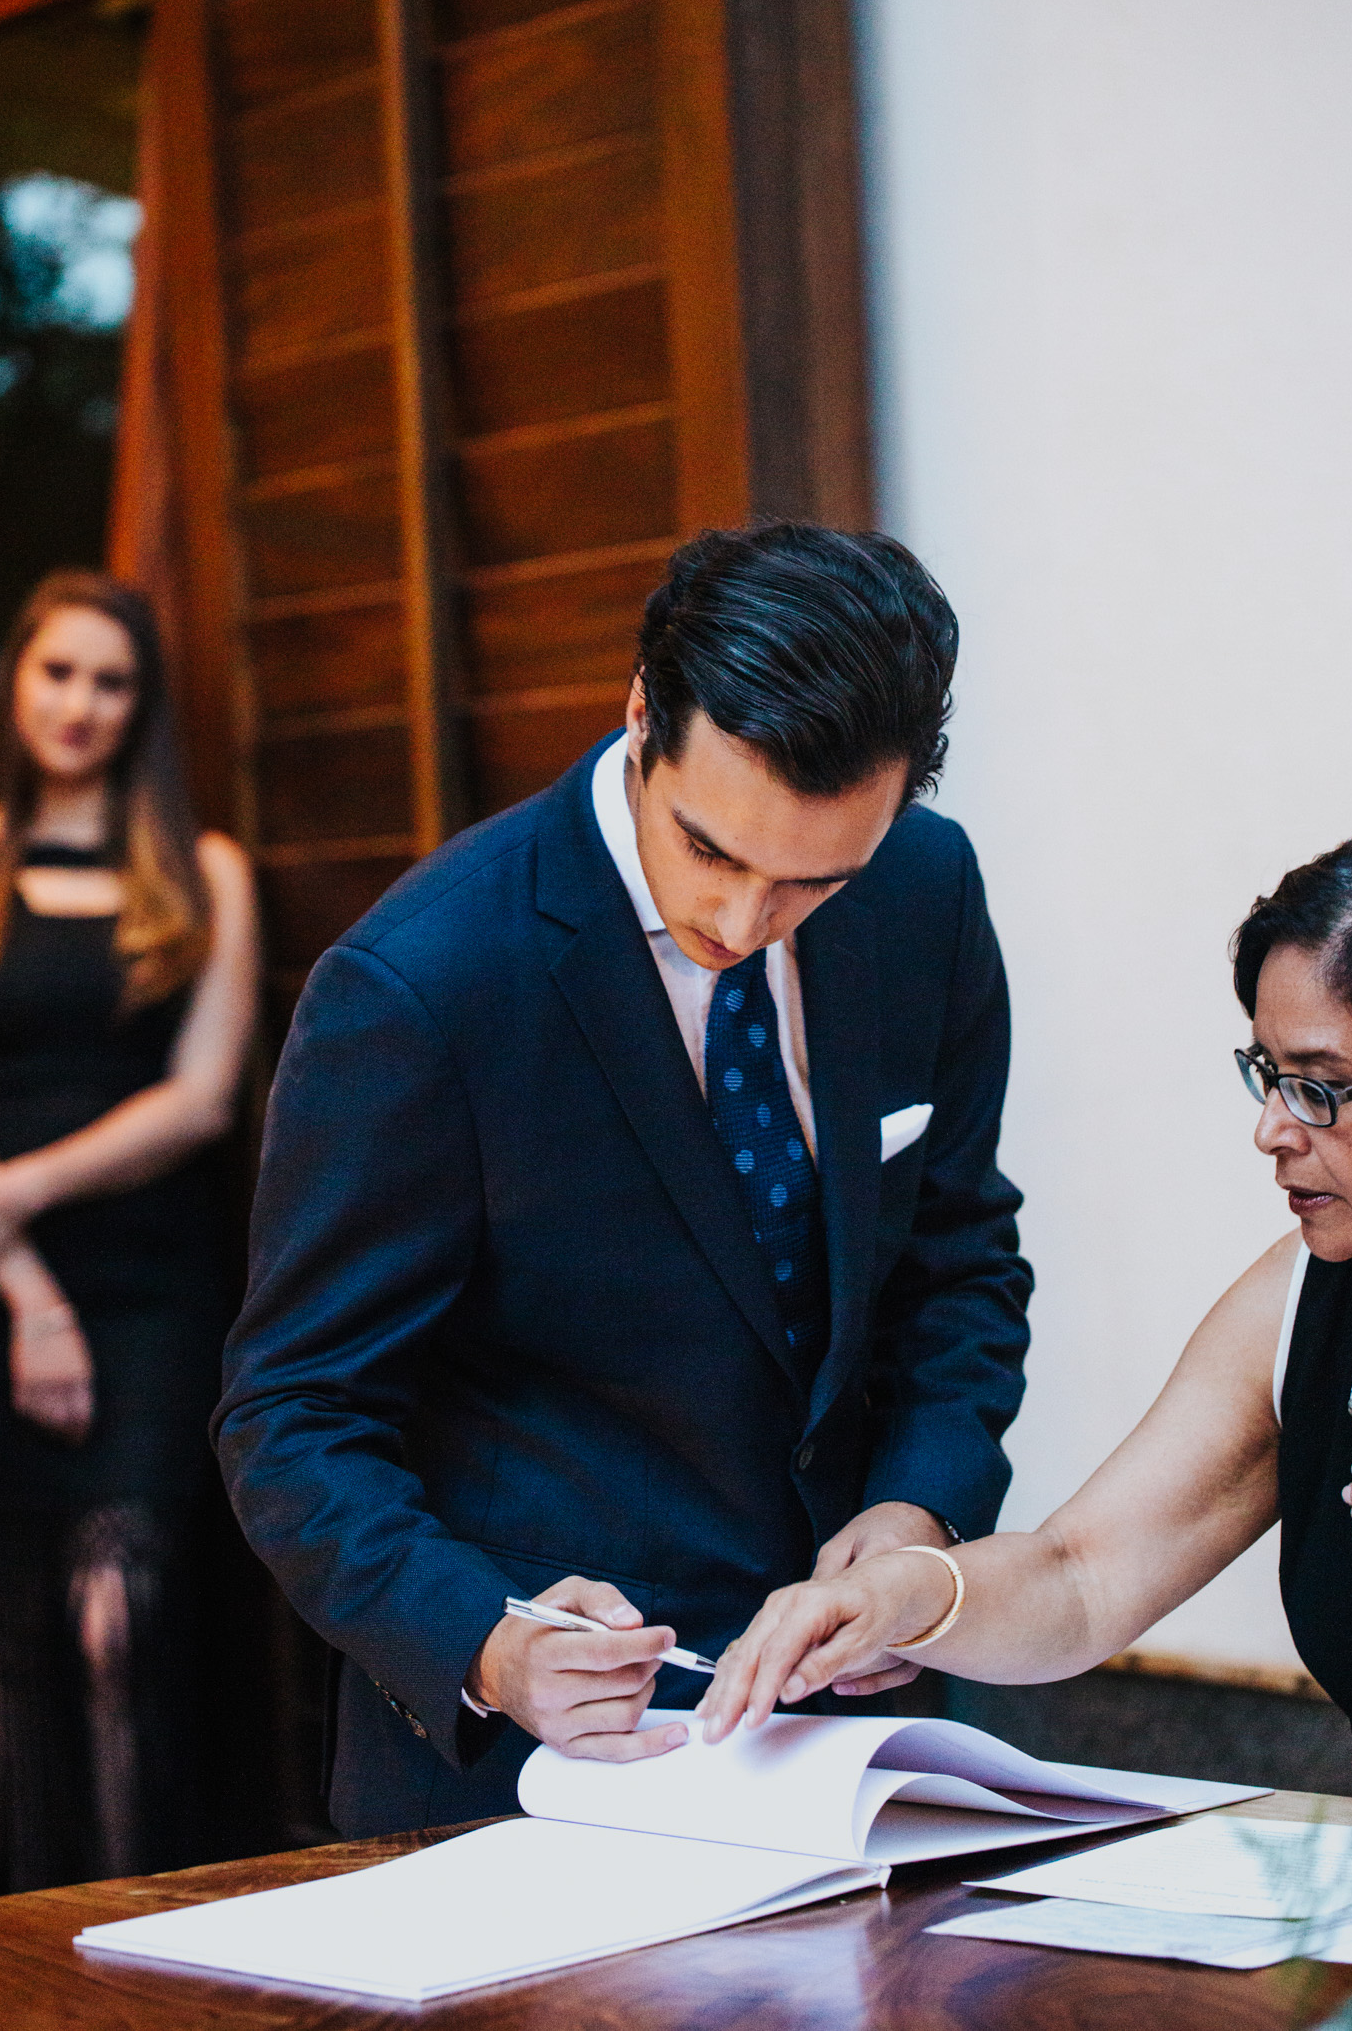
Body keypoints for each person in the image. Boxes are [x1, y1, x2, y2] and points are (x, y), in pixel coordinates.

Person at [216, 521, 1034, 1836]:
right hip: (529, 1774)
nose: (741, 920)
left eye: (813, 878)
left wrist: (916, 1511)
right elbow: (290, 1416)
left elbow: (961, 1263)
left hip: (856, 1743)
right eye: (711, 850)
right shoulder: (426, 981)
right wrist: (485, 1640)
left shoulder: (924, 892)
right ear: (642, 713)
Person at [698, 820, 1352, 1797]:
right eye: (1267, 1076)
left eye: (1320, 1089)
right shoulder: (1304, 1298)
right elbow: (1081, 1578)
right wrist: (906, 1594)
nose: (1270, 1130)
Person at [0, 571, 259, 1895]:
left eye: (111, 681)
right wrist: (22, 1285)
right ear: (18, 679)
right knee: (3, 1655)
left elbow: (199, 1098)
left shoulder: (199, 868)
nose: (80, 703)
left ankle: (133, 1946)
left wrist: (26, 1188)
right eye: (59, 672)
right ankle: (15, 1969)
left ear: (141, 706)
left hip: (149, 1289)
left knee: (127, 1631)